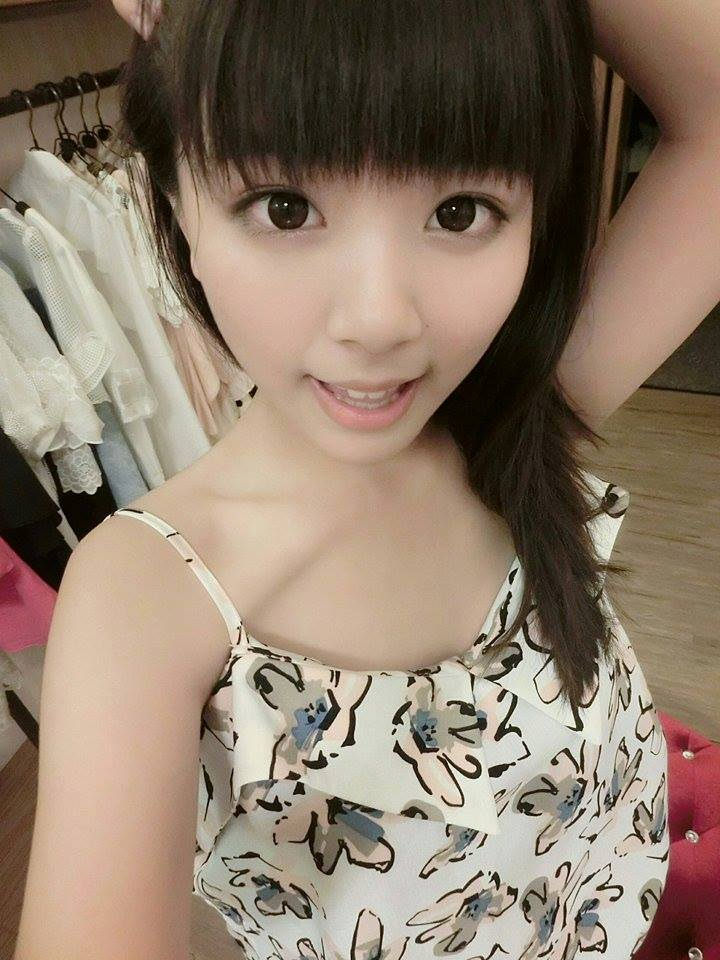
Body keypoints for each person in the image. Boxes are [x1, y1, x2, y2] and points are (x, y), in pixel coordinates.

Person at [25, 0, 720, 956]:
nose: (378, 319)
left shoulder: (515, 419)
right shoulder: (151, 599)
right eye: (284, 208)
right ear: (178, 202)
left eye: (459, 212)